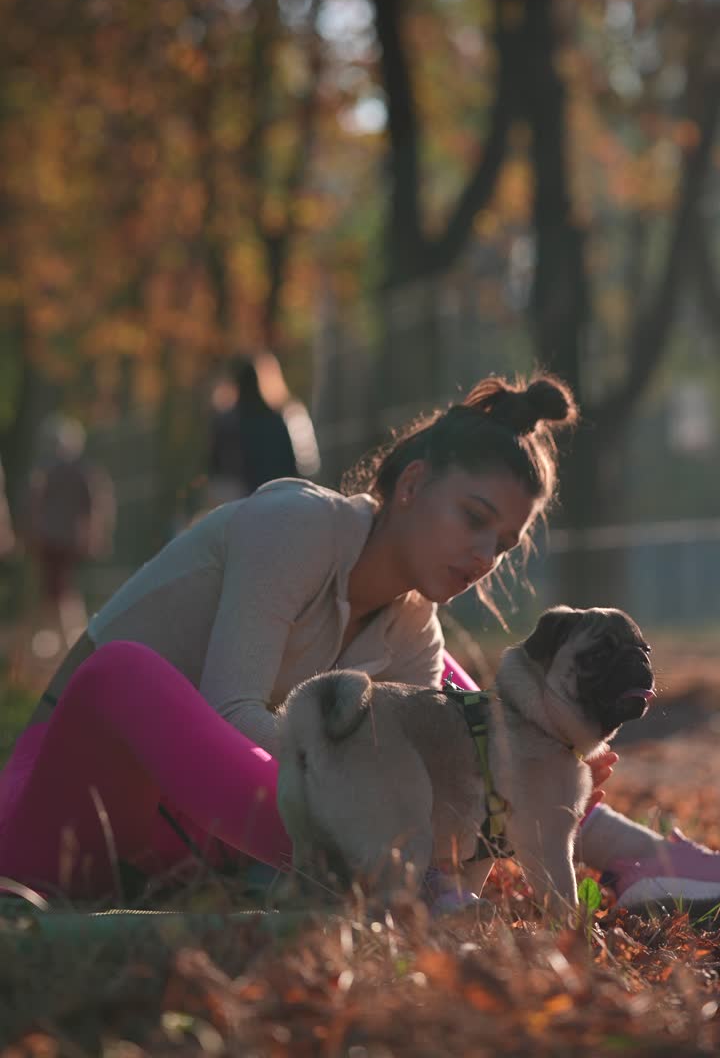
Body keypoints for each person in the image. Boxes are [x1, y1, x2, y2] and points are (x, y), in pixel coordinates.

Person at [0, 372, 718, 912]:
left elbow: (453, 777)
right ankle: (395, 876)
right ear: (410, 485)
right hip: (58, 818)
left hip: (190, 852)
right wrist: (375, 796)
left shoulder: (414, 630)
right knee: (127, 673)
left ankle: (629, 853)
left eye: (504, 543)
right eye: (473, 518)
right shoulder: (298, 526)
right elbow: (227, 713)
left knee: (454, 708)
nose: (483, 556)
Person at [22, 415, 116, 643]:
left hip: (57, 539)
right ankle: (58, 636)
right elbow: (97, 505)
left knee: (59, 589)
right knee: (56, 588)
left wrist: (94, 534)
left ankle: (67, 636)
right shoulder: (81, 471)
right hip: (60, 539)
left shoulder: (59, 471)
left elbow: (93, 506)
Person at [206, 353, 319, 510]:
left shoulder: (228, 423)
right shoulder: (289, 417)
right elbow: (306, 466)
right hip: (284, 504)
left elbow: (218, 476)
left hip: (244, 507)